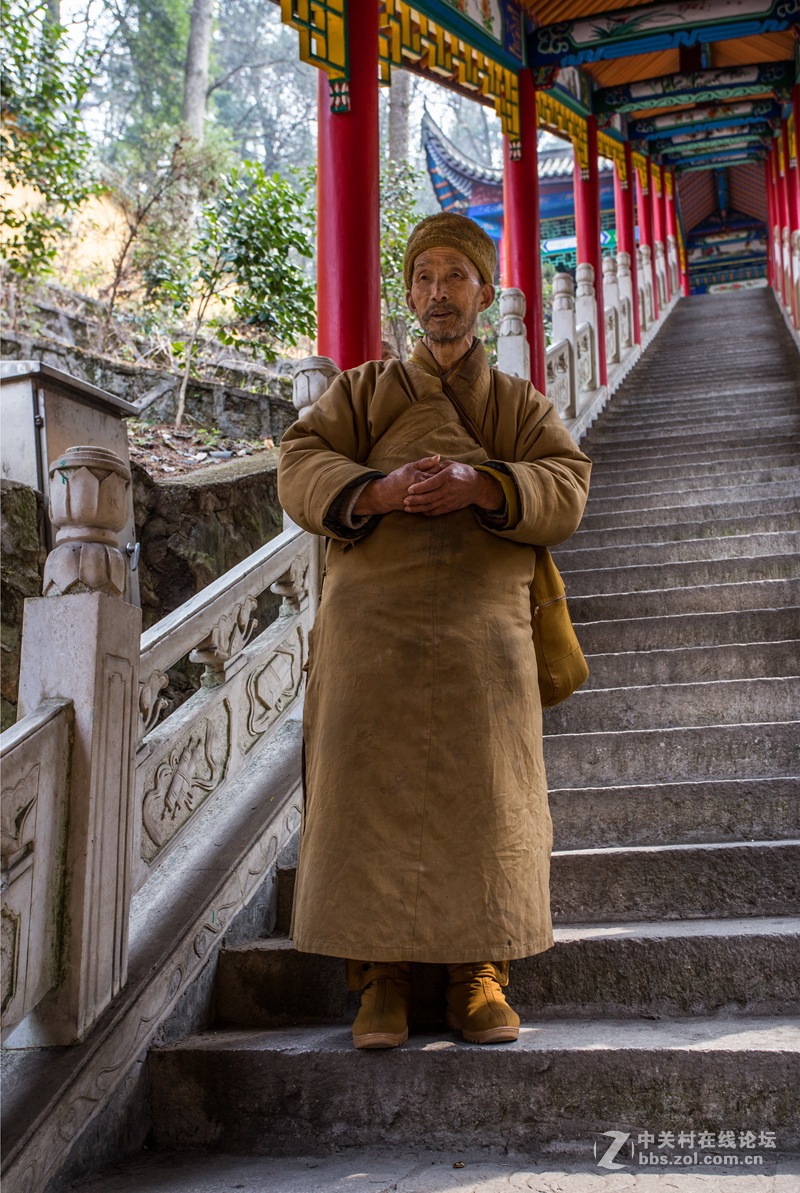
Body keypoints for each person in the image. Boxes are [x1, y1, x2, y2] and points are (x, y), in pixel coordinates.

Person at [278, 212, 591, 1050]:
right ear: (410, 294)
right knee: (366, 797)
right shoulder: (363, 391)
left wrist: (482, 483)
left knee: (490, 796)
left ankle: (477, 973)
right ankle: (380, 978)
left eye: (455, 276)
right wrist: (375, 493)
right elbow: (300, 462)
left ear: (485, 292)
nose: (437, 293)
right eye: (423, 278)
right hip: (369, 633)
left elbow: (567, 481)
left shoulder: (517, 402)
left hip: (482, 636)